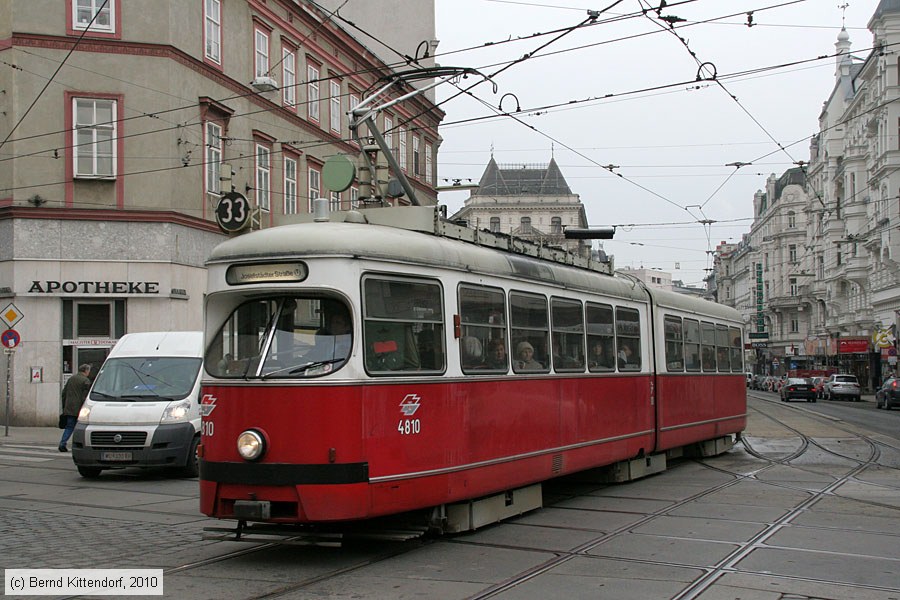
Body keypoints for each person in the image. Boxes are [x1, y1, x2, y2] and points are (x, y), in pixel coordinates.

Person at [59, 363, 92, 452]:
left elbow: (64, 393)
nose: (89, 372)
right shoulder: (86, 381)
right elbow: (85, 396)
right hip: (80, 408)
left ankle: (62, 443)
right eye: (88, 371)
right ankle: (78, 444)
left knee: (69, 427)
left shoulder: (71, 379)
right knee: (81, 427)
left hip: (69, 407)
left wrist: (64, 406)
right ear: (86, 371)